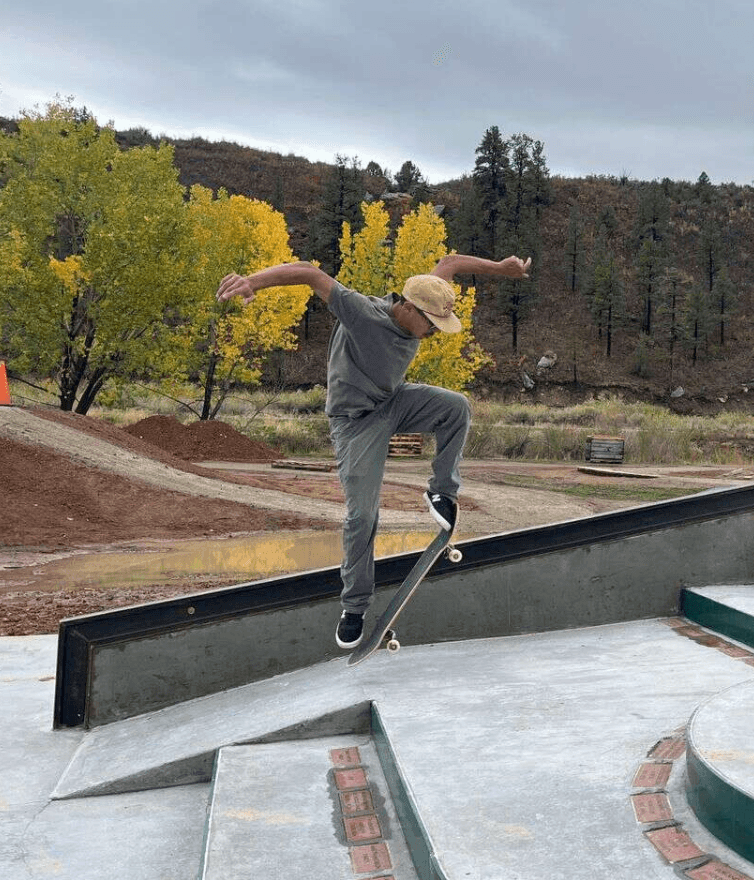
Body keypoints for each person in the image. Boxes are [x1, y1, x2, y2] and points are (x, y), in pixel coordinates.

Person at [216, 253, 531, 647]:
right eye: (430, 325)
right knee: (362, 515)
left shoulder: (427, 291)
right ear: (408, 307)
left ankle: (441, 491)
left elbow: (449, 262)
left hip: (393, 401)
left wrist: (502, 270)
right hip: (355, 422)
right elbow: (309, 274)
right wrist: (253, 281)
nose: (433, 333)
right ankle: (354, 606)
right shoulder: (362, 312)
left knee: (456, 406)